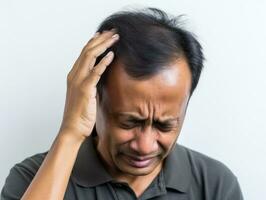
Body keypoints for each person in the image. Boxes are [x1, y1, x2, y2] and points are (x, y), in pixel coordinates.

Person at [1, 7, 244, 200]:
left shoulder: (215, 185)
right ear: (94, 100)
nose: (145, 146)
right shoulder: (31, 178)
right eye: (129, 122)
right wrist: (70, 132)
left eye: (165, 125)